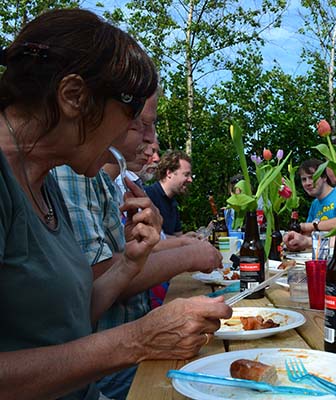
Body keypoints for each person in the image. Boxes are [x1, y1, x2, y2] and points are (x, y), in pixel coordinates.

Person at [0, 9, 231, 399]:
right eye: (130, 113)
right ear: (73, 97)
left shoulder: (42, 177)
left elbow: (68, 322)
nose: (133, 132)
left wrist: (128, 263)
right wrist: (138, 340)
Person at [53, 95, 221, 398]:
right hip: (101, 367)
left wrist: (136, 257)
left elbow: (84, 301)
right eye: (140, 122)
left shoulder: (93, 175)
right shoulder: (69, 171)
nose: (149, 140)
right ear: (76, 101)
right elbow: (93, 279)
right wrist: (185, 254)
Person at [282, 158, 336, 244]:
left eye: (312, 177)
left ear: (324, 177)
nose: (308, 183)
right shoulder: (315, 204)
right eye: (304, 179)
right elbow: (308, 234)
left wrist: (311, 226)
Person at [145, 149, 193, 236]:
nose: (190, 180)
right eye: (186, 175)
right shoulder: (147, 196)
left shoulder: (173, 203)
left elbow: (177, 237)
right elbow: (149, 238)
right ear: (169, 173)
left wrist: (188, 237)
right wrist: (184, 240)